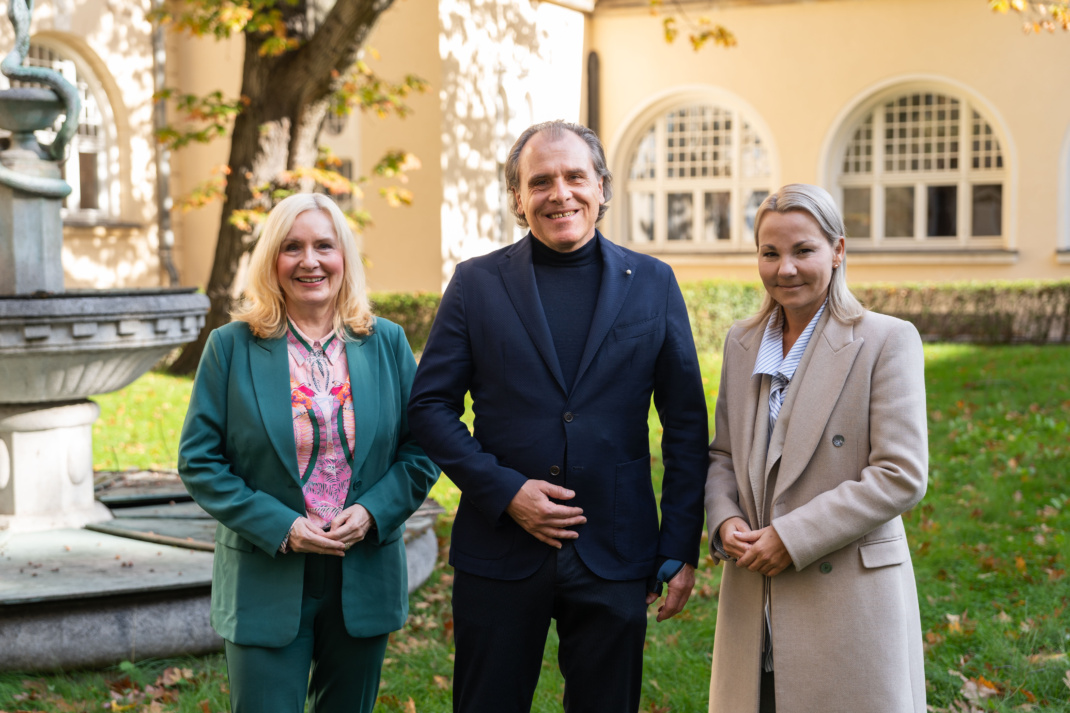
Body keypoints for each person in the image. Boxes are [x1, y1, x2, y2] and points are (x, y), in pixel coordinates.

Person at [407, 120, 709, 713]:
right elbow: (429, 406)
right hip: (499, 547)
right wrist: (507, 492)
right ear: (518, 199)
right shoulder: (475, 283)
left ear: (601, 186)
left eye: (575, 176)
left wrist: (680, 545)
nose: (560, 193)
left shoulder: (653, 283)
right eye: (540, 181)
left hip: (616, 548)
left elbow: (685, 426)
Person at [178, 192, 439, 713]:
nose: (310, 261)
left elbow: (424, 447)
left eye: (324, 246)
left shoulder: (386, 342)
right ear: (271, 259)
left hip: (363, 570)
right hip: (266, 572)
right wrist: (282, 526)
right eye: (292, 247)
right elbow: (200, 462)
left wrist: (372, 512)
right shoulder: (231, 346)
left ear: (344, 256)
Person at [704, 184, 928, 713]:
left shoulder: (886, 340)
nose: (785, 269)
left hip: (847, 594)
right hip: (753, 593)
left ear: (837, 250)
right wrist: (724, 518)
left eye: (803, 250)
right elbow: (723, 455)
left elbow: (900, 473)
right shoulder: (741, 342)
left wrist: (792, 536)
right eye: (770, 253)